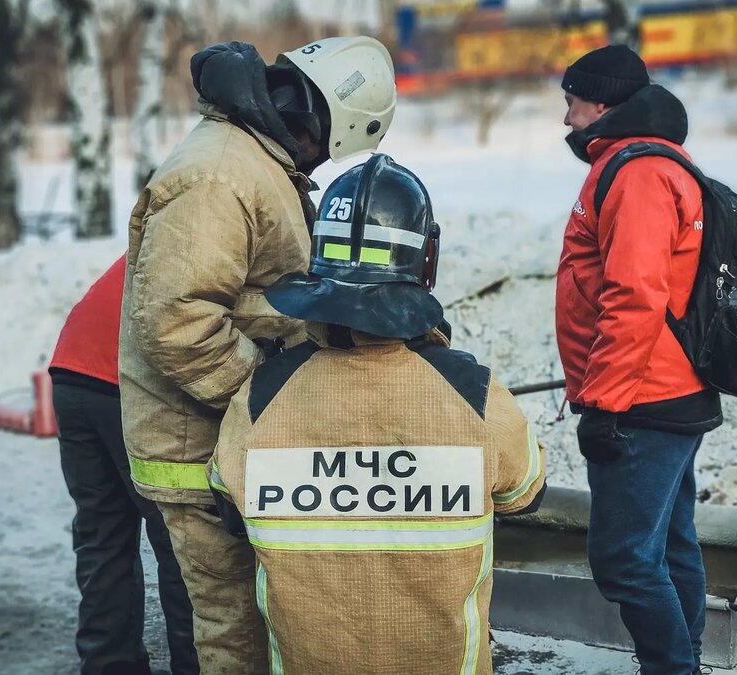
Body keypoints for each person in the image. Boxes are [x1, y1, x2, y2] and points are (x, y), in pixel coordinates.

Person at [118, 37, 397, 673]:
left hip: (231, 447)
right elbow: (177, 323)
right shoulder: (219, 174)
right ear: (319, 119)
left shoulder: (252, 161)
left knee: (269, 621)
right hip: (201, 454)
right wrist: (271, 397)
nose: (322, 159)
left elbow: (250, 298)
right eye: (328, 145)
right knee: (235, 636)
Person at [207, 154, 546, 675]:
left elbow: (230, 505)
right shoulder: (471, 391)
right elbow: (524, 492)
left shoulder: (264, 393)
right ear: (425, 260)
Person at [556, 45, 723, 675]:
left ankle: (673, 668)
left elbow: (634, 298)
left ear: (600, 101)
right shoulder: (630, 164)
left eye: (571, 101)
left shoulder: (640, 175)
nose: (566, 117)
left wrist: (602, 404)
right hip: (656, 390)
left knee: (624, 559)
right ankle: (685, 663)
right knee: (667, 543)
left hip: (644, 398)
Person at [50, 255, 200, 675]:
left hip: (72, 369)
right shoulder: (250, 228)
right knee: (183, 537)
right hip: (124, 378)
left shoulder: (178, 225)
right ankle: (195, 666)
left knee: (103, 537)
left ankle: (108, 663)